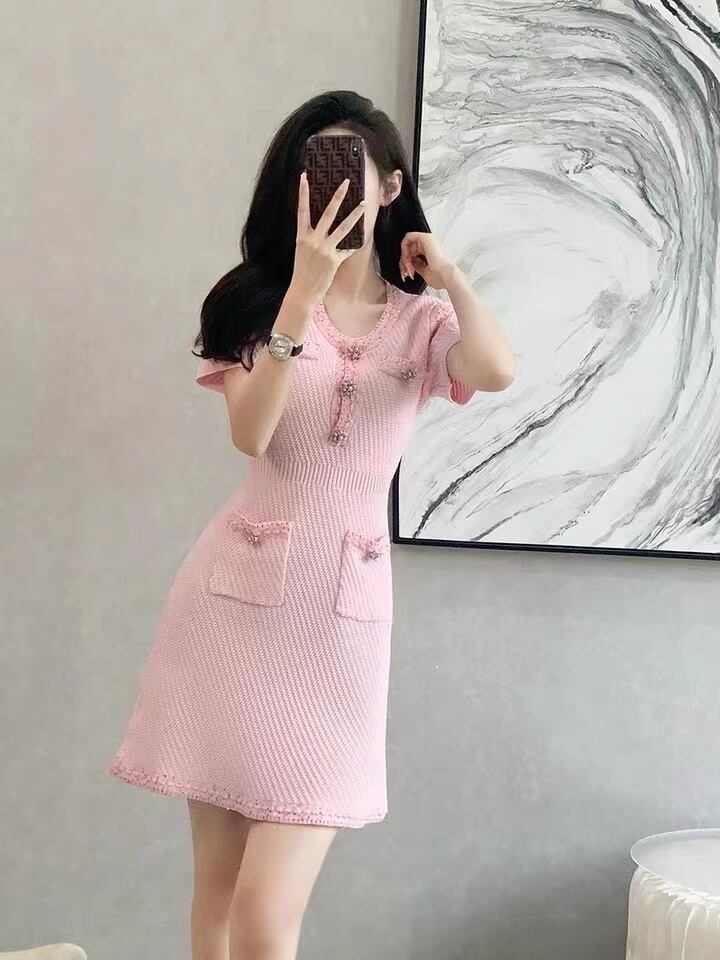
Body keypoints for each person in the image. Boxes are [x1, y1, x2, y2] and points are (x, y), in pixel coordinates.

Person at [107, 89, 515, 960]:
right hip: (229, 613)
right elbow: (251, 433)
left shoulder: (422, 322)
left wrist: (450, 275)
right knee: (218, 904)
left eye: (345, 173)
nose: (325, 191)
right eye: (309, 173)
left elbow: (494, 370)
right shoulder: (253, 305)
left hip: (338, 628)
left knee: (264, 918)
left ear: (390, 187)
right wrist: (301, 293)